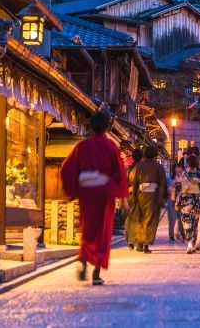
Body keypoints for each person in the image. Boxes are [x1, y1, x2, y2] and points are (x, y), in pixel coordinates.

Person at [61, 111, 129, 286]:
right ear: (107, 127)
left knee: (89, 228)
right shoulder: (111, 147)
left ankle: (83, 259)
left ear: (90, 126)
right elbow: (119, 173)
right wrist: (122, 196)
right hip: (104, 193)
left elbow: (66, 168)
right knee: (103, 232)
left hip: (87, 193)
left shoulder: (82, 147)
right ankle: (96, 273)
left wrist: (74, 189)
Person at [130, 146, 167, 253]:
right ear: (155, 155)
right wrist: (161, 199)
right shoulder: (158, 167)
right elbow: (162, 183)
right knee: (151, 220)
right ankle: (146, 244)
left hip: (141, 195)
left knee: (140, 220)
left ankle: (140, 244)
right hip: (154, 196)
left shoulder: (139, 166)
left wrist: (134, 198)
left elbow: (135, 182)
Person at [176, 155, 200, 254]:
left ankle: (189, 244)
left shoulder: (184, 174)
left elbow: (178, 187)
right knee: (195, 222)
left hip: (186, 200)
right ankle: (193, 242)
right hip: (196, 199)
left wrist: (177, 200)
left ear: (187, 163)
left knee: (187, 222)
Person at [124, 148, 143, 250]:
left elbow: (125, 182)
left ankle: (130, 242)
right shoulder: (144, 168)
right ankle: (140, 243)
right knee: (141, 218)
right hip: (141, 194)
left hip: (130, 194)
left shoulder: (129, 168)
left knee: (130, 218)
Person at [167, 164, 184, 241]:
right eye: (177, 168)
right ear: (174, 170)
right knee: (172, 219)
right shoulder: (170, 179)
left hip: (181, 200)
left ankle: (180, 233)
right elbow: (168, 189)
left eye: (180, 168)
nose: (179, 170)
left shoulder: (184, 178)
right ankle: (171, 235)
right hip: (172, 200)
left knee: (181, 218)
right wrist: (176, 180)